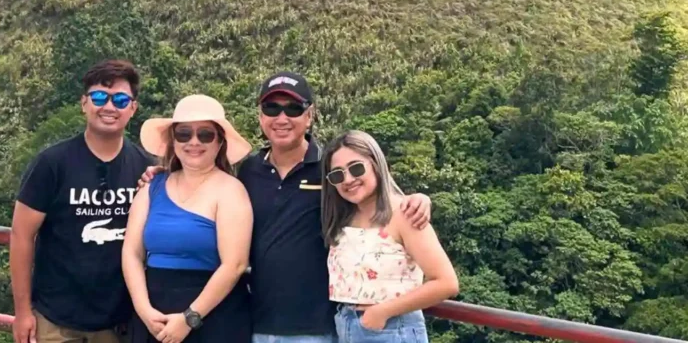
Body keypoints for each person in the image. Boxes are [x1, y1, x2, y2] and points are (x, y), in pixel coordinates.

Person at [141, 71, 433, 343]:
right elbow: (203, 187)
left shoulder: (329, 170)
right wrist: (161, 174)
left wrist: (418, 198)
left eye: (292, 109)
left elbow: (371, 197)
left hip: (318, 326)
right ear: (260, 116)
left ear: (310, 116)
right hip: (256, 321)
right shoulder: (248, 172)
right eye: (271, 109)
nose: (282, 117)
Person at [9, 59, 157, 343]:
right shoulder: (52, 164)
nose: (110, 107)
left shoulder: (145, 167)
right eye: (100, 97)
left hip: (118, 323)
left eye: (121, 99)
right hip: (55, 320)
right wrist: (22, 311)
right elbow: (21, 235)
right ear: (84, 103)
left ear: (133, 108)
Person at [123, 94, 254, 343]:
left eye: (205, 134)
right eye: (184, 133)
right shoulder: (152, 188)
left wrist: (189, 318)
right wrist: (144, 311)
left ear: (219, 143)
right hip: (153, 318)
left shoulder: (231, 191)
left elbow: (234, 264)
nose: (194, 142)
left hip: (214, 319)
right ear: (173, 140)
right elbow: (131, 252)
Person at [322, 130, 459, 343]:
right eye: (337, 175)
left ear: (376, 164)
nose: (348, 179)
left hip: (391, 329)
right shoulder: (344, 218)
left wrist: (382, 312)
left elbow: (446, 282)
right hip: (347, 325)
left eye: (356, 168)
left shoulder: (405, 213)